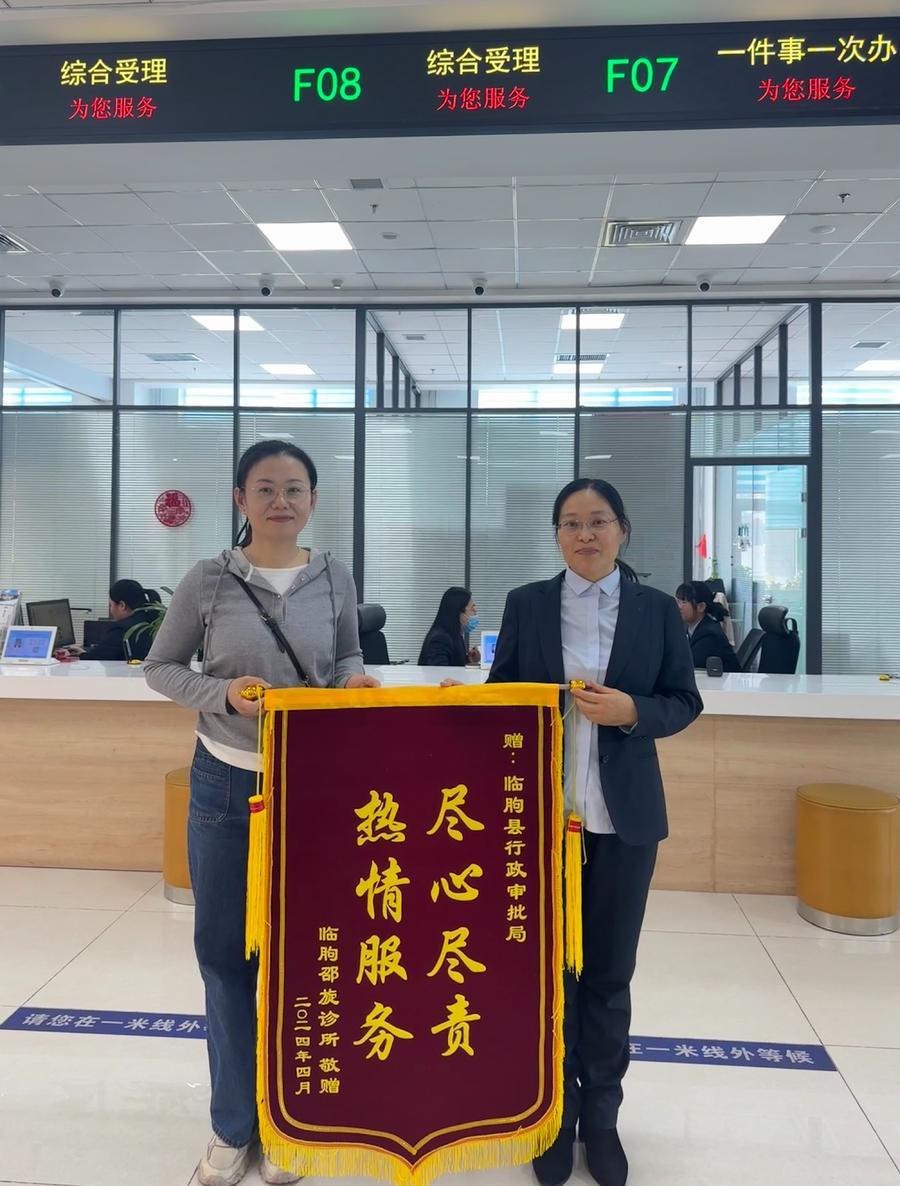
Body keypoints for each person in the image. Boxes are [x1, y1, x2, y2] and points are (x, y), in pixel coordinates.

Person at [144, 440, 379, 1186]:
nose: (282, 500)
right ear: (241, 499)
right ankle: (231, 1125)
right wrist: (222, 694)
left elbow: (345, 658)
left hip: (314, 789)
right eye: (266, 488)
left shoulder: (333, 575)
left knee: (303, 960)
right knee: (224, 959)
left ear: (313, 500)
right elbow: (161, 667)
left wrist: (354, 682)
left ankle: (287, 1122)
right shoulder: (208, 578)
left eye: (295, 488)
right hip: (225, 786)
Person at [488, 478, 702, 1186]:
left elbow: (684, 700)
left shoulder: (654, 609)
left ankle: (603, 1120)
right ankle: (554, 1116)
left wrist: (633, 711)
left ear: (623, 530)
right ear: (556, 535)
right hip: (540, 824)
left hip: (623, 822)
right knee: (549, 975)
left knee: (608, 975)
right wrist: (500, 704)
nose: (585, 534)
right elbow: (501, 695)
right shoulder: (527, 603)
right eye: (572, 523)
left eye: (598, 521)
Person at [78, 579, 161, 660]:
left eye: (111, 605)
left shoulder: (121, 629)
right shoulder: (153, 621)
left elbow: (96, 658)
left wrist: (81, 655)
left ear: (122, 605)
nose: (110, 610)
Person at [675, 580, 740, 673]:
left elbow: (687, 664)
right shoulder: (691, 628)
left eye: (684, 602)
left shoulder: (709, 635)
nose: (678, 606)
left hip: (725, 681)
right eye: (678, 601)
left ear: (701, 607)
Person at [418, 586, 481, 666]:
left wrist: (468, 660)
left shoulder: (455, 634)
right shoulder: (441, 638)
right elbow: (438, 671)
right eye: (472, 609)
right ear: (458, 612)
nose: (475, 612)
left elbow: (454, 663)